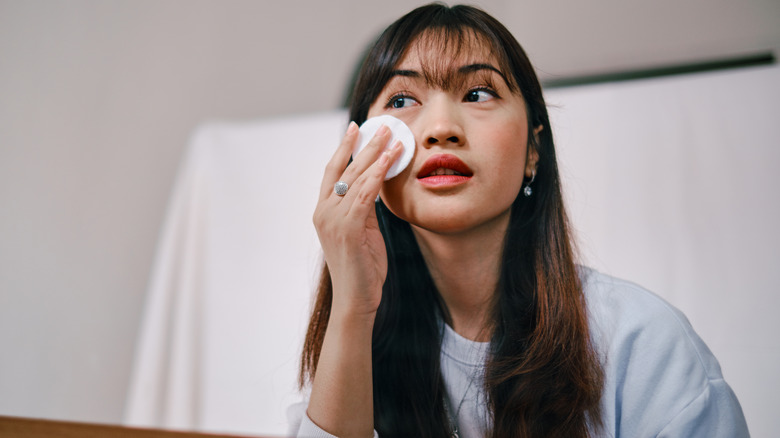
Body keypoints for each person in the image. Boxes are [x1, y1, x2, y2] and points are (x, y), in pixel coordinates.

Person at [288, 4, 749, 438]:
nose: (440, 127)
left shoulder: (643, 343)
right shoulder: (349, 347)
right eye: (404, 99)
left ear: (533, 150)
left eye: (478, 93)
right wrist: (352, 305)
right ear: (361, 153)